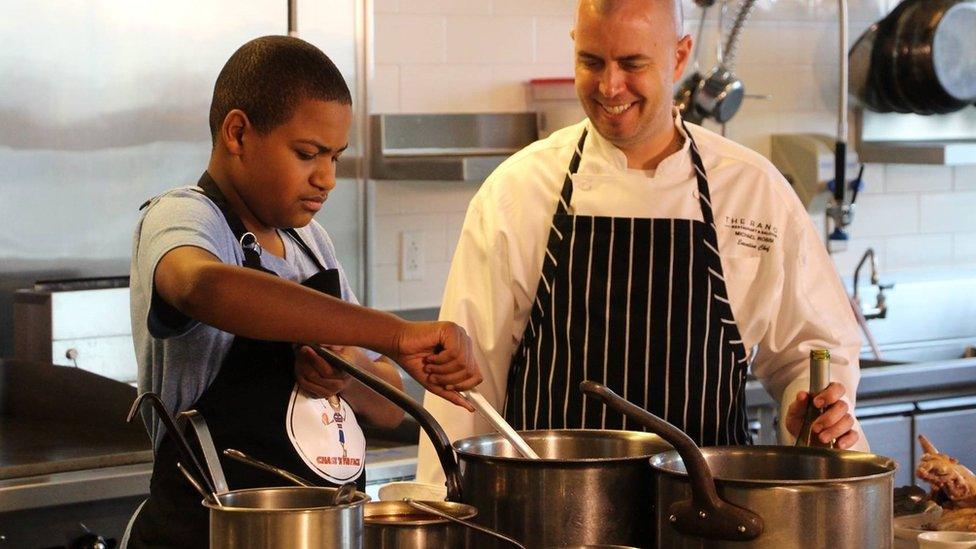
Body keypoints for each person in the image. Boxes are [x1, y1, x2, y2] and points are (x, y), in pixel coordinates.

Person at [417, 0, 867, 483]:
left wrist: (810, 413)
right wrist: (445, 511)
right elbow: (466, 386)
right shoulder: (518, 191)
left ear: (678, 56)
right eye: (592, 62)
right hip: (548, 517)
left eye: (632, 64)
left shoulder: (752, 190)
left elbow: (812, 351)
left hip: (709, 519)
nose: (610, 87)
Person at [124, 35, 481, 547]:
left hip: (317, 533)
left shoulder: (311, 244)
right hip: (208, 534)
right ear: (238, 133)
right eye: (308, 153)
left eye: (335, 157)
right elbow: (204, 287)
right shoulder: (185, 216)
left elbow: (389, 406)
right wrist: (394, 335)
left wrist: (344, 373)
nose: (328, 178)